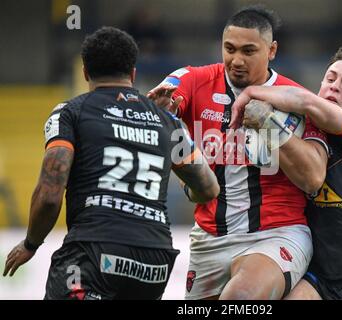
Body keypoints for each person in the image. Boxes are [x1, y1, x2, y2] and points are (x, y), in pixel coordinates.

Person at [2, 26, 219, 300]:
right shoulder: (166, 120)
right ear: (133, 73)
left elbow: (49, 195)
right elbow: (209, 188)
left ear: (85, 73)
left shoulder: (71, 113)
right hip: (154, 262)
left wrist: (31, 243)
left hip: (93, 253)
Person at [148, 5, 328, 300]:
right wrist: (166, 105)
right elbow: (172, 89)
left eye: (248, 51)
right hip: (209, 238)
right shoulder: (197, 80)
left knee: (239, 297)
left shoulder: (296, 98)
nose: (237, 60)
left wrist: (268, 123)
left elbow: (312, 179)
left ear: (272, 50)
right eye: (229, 49)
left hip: (275, 233)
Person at [230, 47, 342, 300]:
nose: (335, 87)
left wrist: (251, 92)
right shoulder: (301, 132)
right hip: (320, 277)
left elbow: (307, 101)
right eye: (330, 79)